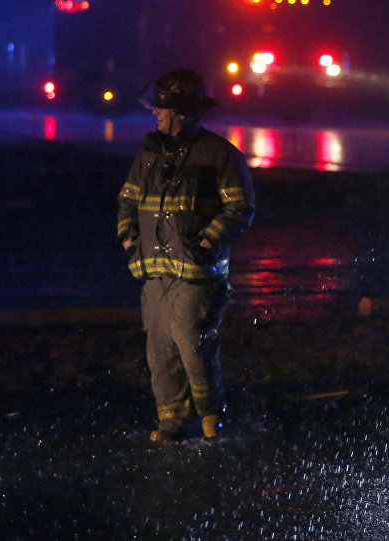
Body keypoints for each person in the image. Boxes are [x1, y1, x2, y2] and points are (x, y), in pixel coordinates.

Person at [117, 69, 255, 442]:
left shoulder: (219, 154)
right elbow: (128, 201)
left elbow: (240, 208)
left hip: (197, 272)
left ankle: (210, 415)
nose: (155, 114)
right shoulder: (148, 155)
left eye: (162, 108)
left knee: (192, 341)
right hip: (154, 271)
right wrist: (130, 240)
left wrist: (207, 243)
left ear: (183, 113)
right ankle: (173, 422)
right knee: (159, 349)